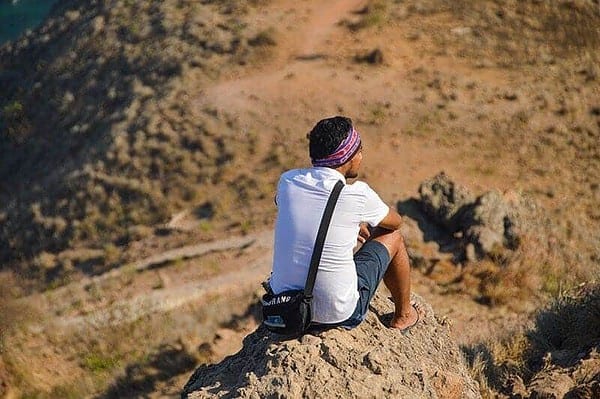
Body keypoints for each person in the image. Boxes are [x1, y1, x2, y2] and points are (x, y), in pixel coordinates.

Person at [268, 116, 420, 331]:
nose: (361, 156)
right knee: (393, 238)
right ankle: (404, 316)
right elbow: (395, 222)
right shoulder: (358, 194)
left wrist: (344, 221)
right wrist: (356, 219)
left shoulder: (288, 181)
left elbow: (289, 206)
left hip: (284, 308)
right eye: (359, 149)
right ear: (347, 157)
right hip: (337, 314)